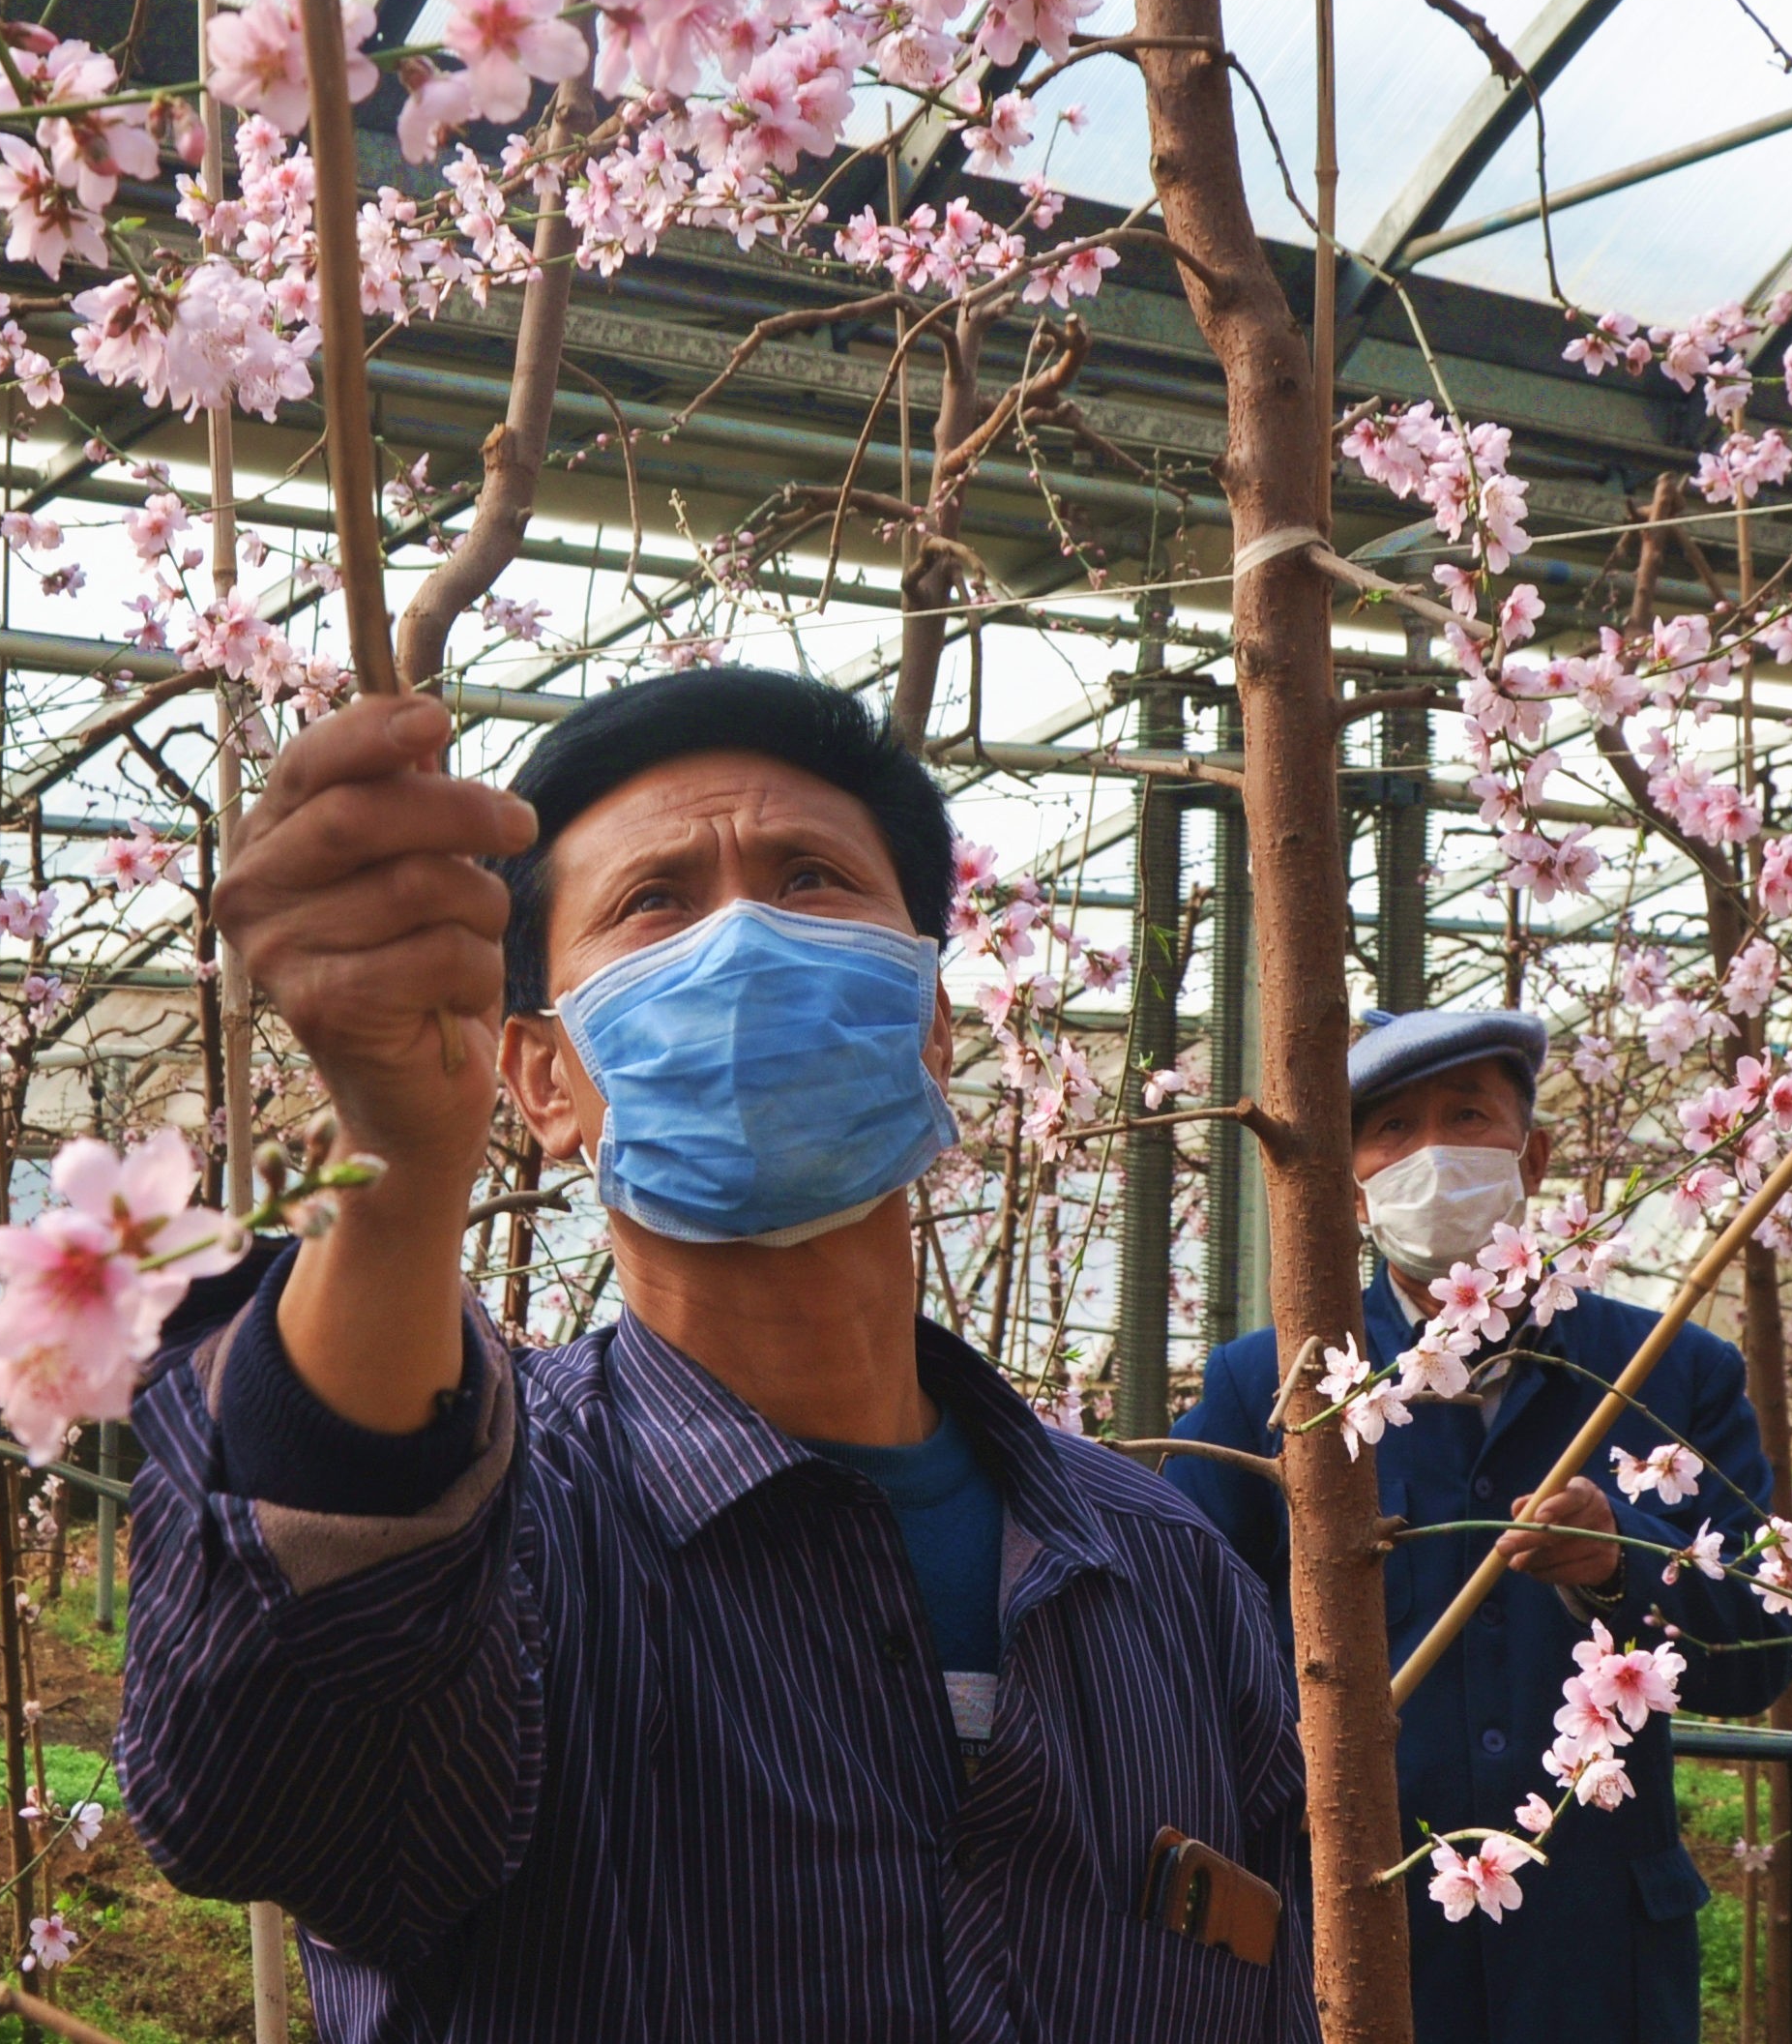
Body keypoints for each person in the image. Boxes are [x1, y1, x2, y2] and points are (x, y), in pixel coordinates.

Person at [118, 667, 1314, 2039]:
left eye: (811, 877)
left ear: (929, 1024)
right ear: (542, 1080)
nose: (744, 933)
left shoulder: (1164, 1572)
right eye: (655, 902)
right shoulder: (500, 1537)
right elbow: (249, 1796)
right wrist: (392, 1171)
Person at [1164, 1006, 1792, 2044]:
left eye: (1466, 1117)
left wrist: (1617, 1572)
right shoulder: (1277, 1386)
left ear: (1531, 1154)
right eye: (1392, 1130)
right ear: (1348, 1173)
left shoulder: (1667, 1373)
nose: (1430, 1156)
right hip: (1358, 1935)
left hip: (1593, 1958)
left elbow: (1765, 1645)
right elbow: (1182, 1643)